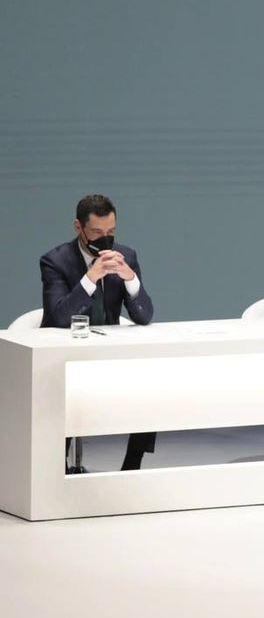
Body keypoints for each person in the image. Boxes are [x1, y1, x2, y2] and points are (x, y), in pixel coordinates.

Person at [40, 193, 158, 471]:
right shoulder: (55, 261)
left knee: (150, 388)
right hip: (63, 359)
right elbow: (58, 317)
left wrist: (131, 280)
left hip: (108, 355)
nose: (105, 239)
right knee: (67, 399)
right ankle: (55, 469)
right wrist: (91, 277)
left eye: (111, 232)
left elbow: (144, 315)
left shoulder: (126, 255)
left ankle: (132, 467)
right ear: (78, 228)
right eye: (96, 232)